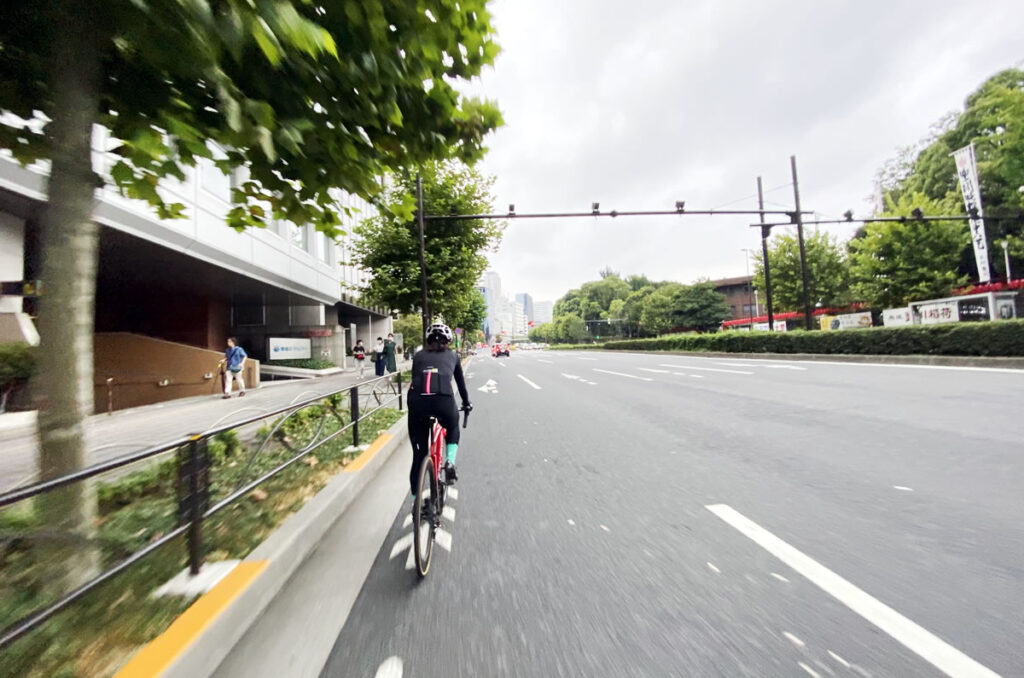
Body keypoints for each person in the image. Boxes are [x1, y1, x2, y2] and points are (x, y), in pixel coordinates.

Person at [407, 323, 471, 511]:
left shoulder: (418, 356)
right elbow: (461, 385)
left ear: (427, 340)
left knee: (418, 457)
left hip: (417, 405)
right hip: (444, 402)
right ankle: (449, 461)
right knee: (452, 427)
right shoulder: (453, 356)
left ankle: (415, 503)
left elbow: (415, 380)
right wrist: (466, 403)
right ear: (448, 340)